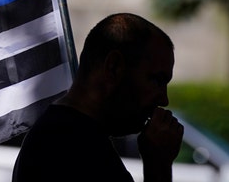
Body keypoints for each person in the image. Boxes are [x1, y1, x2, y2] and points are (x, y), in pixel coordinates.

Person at [12, 13, 184, 182]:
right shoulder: (70, 148)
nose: (163, 100)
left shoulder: (69, 137)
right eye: (156, 80)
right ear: (114, 67)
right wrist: (158, 168)